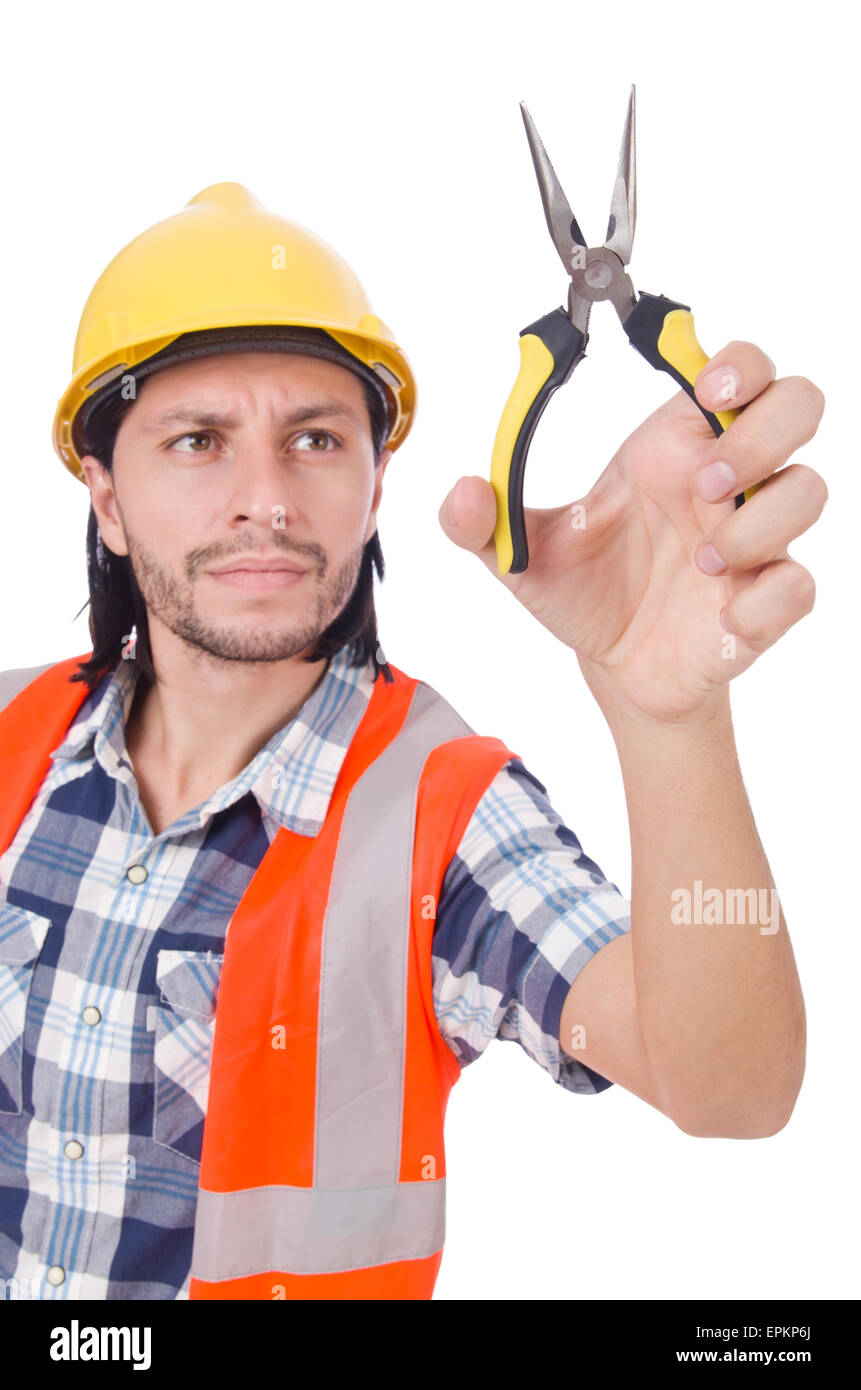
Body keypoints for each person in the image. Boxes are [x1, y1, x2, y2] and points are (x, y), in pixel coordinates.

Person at [0, 182, 825, 1301]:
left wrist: (667, 719)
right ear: (105, 497)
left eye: (316, 439)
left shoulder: (443, 815)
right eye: (197, 441)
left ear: (374, 482)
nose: (266, 500)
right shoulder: (8, 732)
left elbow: (733, 1089)